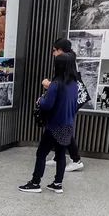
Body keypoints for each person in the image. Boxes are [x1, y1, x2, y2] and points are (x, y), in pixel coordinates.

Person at [19, 52, 80, 194]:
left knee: (41, 153)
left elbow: (47, 105)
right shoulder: (74, 84)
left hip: (54, 125)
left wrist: (40, 100)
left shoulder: (56, 84)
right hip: (68, 124)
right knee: (61, 154)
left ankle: (35, 182)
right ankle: (58, 183)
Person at [44, 38, 84, 172]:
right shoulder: (70, 59)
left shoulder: (68, 61)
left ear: (60, 50)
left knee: (64, 128)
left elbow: (67, 83)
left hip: (68, 100)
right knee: (62, 126)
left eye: (54, 51)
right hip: (69, 99)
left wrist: (51, 86)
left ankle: (76, 159)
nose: (53, 54)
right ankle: (58, 157)